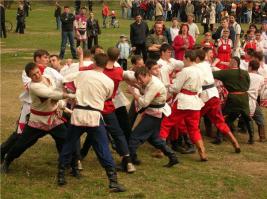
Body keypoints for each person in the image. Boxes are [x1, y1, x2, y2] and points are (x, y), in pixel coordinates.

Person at [58, 53, 126, 192]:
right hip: (94, 115)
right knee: (102, 148)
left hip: (78, 114)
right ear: (106, 64)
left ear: (94, 62)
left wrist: (73, 95)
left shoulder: (82, 74)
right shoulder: (108, 81)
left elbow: (66, 81)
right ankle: (113, 181)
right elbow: (107, 97)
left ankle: (61, 175)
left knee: (69, 144)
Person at [1, 62, 75, 173]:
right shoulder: (34, 86)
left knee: (64, 140)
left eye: (38, 72)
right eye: (33, 75)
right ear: (30, 77)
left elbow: (54, 99)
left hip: (53, 119)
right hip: (37, 121)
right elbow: (51, 94)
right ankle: (7, 161)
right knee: (22, 144)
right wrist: (70, 95)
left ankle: (69, 164)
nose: (37, 75)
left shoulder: (48, 78)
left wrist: (67, 109)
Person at [159, 50, 208, 161]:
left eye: (184, 59)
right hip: (195, 102)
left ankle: (160, 149)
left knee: (166, 123)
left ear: (187, 58)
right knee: (194, 128)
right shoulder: (200, 71)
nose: (183, 61)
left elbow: (176, 88)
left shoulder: (185, 71)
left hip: (184, 101)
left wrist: (167, 86)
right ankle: (202, 152)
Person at [127, 67, 179, 167]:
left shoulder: (154, 85)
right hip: (154, 113)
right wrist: (138, 87)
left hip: (154, 114)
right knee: (154, 139)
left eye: (140, 79)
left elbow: (144, 102)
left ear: (148, 75)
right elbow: (147, 94)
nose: (139, 81)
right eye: (137, 79)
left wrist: (134, 93)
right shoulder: (150, 82)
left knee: (134, 137)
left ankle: (130, 161)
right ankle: (173, 157)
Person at [195, 49, 241, 153]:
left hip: (205, 96)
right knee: (220, 121)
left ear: (197, 58)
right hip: (214, 94)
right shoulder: (207, 65)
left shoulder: (196, 67)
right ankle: (235, 143)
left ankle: (200, 149)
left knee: (194, 119)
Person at [213, 57, 254, 144]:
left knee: (223, 116)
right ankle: (251, 138)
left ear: (233, 62)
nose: (228, 63)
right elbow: (248, 84)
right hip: (244, 97)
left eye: (230, 61)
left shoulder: (227, 72)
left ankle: (219, 137)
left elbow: (212, 74)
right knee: (247, 118)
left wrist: (212, 65)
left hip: (233, 98)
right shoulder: (245, 72)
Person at [247, 60, 266, 142]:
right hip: (254, 99)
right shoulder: (261, 78)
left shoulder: (246, 75)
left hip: (244, 98)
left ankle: (252, 138)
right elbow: (261, 89)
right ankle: (262, 137)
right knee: (259, 117)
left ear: (250, 67)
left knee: (247, 118)